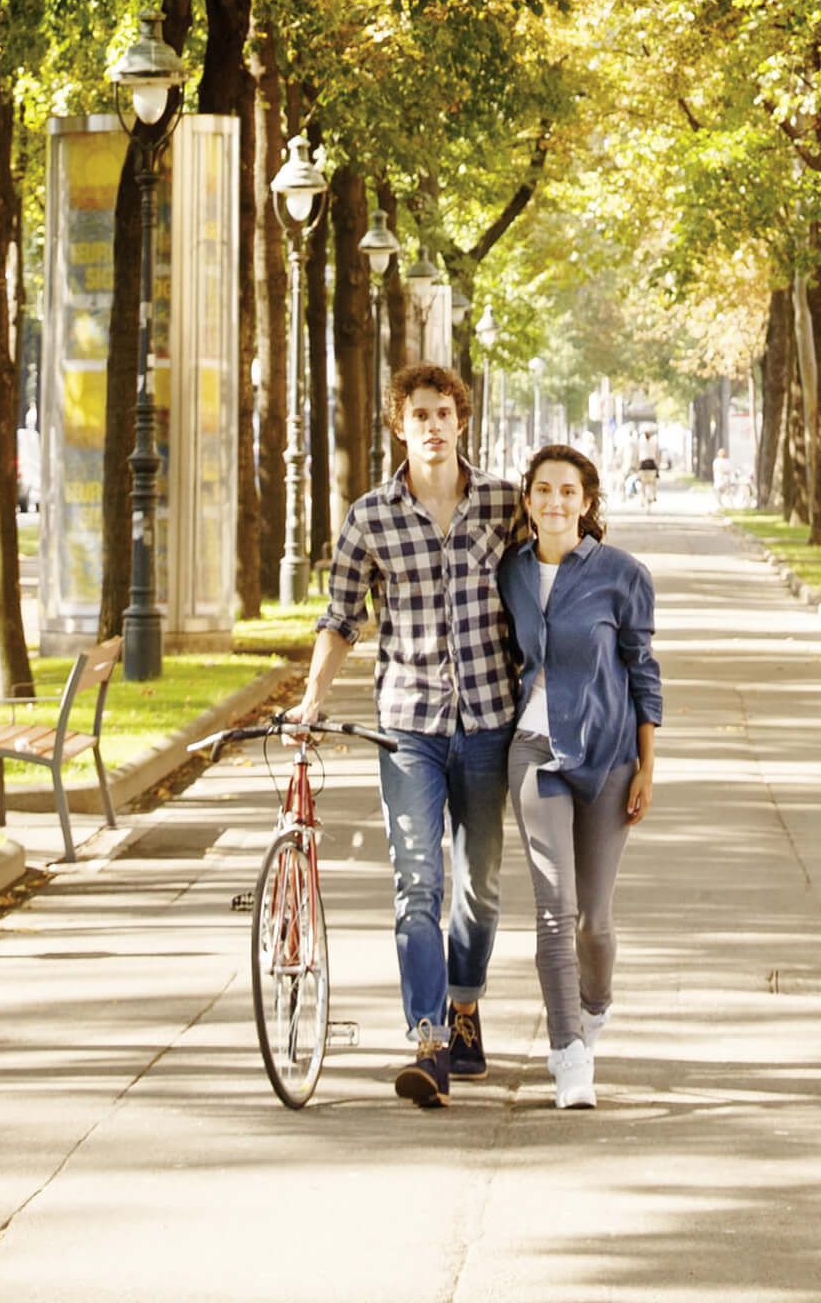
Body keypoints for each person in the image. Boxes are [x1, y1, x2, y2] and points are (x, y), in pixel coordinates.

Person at [294, 363, 525, 1108]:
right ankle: (429, 1041)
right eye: (419, 414)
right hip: (409, 726)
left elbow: (546, 578)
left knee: (479, 886)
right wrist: (312, 697)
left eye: (443, 413)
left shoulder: (503, 504)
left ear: (462, 421)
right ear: (400, 426)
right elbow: (341, 618)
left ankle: (464, 1005)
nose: (432, 425)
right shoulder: (370, 516)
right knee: (417, 881)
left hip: (488, 719)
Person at [499, 443, 661, 1110]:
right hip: (534, 751)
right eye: (543, 490)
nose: (555, 502)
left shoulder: (622, 575)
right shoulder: (510, 571)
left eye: (568, 491)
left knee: (593, 920)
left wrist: (647, 765)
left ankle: (594, 1006)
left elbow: (643, 671)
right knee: (555, 910)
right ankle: (568, 1054)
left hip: (607, 757)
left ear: (587, 503)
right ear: (528, 500)